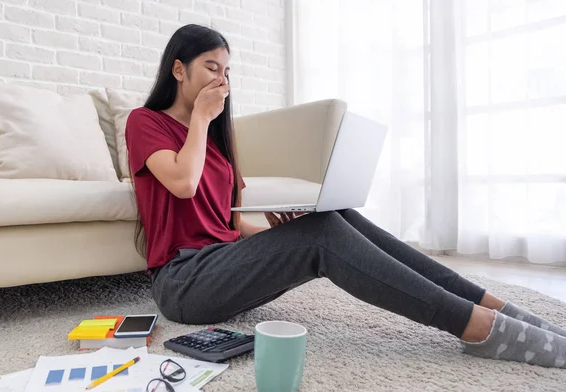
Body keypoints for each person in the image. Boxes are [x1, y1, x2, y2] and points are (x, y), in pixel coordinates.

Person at [125, 24, 566, 369]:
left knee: (335, 217)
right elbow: (182, 183)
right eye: (211, 68)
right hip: (183, 284)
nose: (222, 80)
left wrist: (281, 234)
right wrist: (201, 118)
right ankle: (475, 327)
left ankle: (486, 303)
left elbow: (228, 223)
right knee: (320, 236)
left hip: (218, 266)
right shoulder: (145, 122)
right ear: (178, 70)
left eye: (227, 71)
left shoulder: (219, 143)